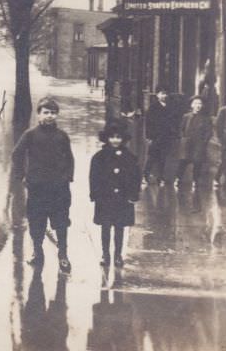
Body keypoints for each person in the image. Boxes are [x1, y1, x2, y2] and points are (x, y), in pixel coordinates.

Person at [12, 97, 75, 273]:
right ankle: (37, 253)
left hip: (59, 189)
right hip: (37, 188)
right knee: (36, 223)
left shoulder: (62, 136)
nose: (49, 116)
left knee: (61, 224)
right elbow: (17, 154)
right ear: (38, 114)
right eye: (46, 112)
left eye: (53, 113)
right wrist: (21, 175)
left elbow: (69, 158)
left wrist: (67, 177)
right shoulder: (30, 135)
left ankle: (63, 255)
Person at [89, 121, 141, 267]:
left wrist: (133, 195)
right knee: (105, 227)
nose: (115, 140)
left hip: (123, 199)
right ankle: (105, 254)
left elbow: (135, 177)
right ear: (106, 138)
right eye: (112, 137)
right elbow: (93, 177)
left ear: (123, 138)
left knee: (120, 227)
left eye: (118, 137)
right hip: (105, 198)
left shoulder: (130, 157)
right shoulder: (99, 157)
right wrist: (95, 194)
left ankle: (118, 255)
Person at [174, 95, 213, 189]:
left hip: (199, 143)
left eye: (200, 103)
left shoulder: (206, 118)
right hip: (187, 143)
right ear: (191, 105)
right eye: (195, 103)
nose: (198, 105)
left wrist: (204, 141)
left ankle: (195, 180)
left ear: (202, 105)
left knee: (197, 162)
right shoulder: (186, 116)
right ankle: (178, 178)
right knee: (183, 161)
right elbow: (181, 128)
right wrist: (183, 138)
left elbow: (209, 132)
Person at [143, 86, 177, 187]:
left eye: (165, 93)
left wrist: (173, 133)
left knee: (163, 157)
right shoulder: (153, 107)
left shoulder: (170, 106)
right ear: (157, 95)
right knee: (152, 157)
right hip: (155, 136)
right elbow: (148, 122)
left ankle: (160, 177)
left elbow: (173, 121)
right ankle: (145, 175)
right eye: (161, 93)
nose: (164, 96)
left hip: (166, 136)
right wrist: (149, 136)